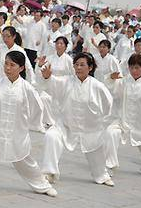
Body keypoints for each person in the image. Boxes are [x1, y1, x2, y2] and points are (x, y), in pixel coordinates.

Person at [0, 51, 57, 197]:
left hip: (16, 133)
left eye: (12, 65)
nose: (7, 68)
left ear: (21, 68)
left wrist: (33, 124)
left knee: (26, 163)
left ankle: (43, 186)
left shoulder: (26, 88)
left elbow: (37, 107)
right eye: (6, 64)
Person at [39, 52, 114, 187]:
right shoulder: (67, 81)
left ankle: (101, 175)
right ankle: (49, 172)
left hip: (90, 127)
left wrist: (100, 123)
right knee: (51, 136)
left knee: (96, 151)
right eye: (76, 65)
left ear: (90, 68)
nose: (78, 68)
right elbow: (53, 83)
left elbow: (108, 105)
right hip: (66, 126)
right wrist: (48, 77)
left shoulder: (98, 86)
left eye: (82, 65)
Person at [35, 36, 75, 127]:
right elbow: (41, 72)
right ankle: (48, 121)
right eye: (57, 43)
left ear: (65, 46)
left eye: (61, 43)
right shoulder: (49, 58)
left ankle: (64, 121)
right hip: (50, 84)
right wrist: (40, 65)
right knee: (44, 98)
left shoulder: (69, 59)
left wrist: (64, 81)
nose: (59, 45)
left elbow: (74, 74)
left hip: (64, 85)